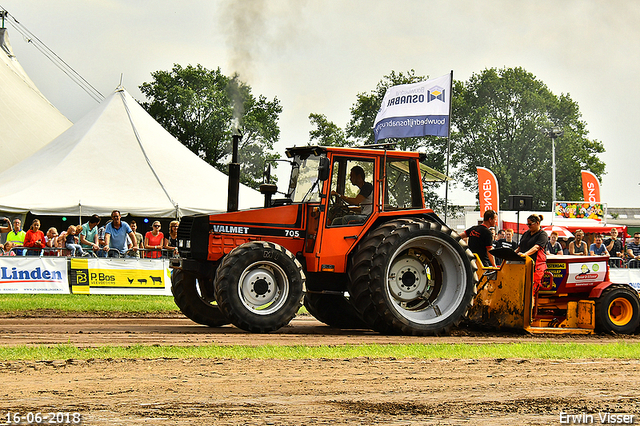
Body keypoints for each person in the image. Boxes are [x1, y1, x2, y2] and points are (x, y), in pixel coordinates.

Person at [515, 214, 548, 292]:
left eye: (530, 224)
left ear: (537, 223)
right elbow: (519, 247)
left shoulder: (542, 234)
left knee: (530, 291)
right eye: (527, 224)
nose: (528, 226)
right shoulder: (526, 233)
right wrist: (513, 253)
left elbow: (536, 247)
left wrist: (525, 254)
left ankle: (531, 304)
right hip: (523, 265)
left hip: (536, 266)